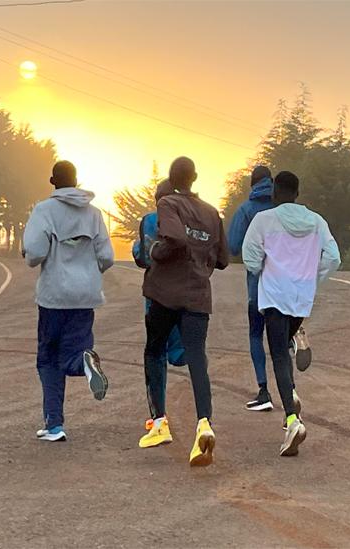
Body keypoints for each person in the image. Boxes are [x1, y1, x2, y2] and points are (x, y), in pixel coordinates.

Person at [138, 156, 229, 467]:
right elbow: (223, 259)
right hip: (197, 296)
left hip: (165, 294)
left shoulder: (168, 203)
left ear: (170, 177)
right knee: (197, 360)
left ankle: (159, 423)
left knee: (154, 351)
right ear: (195, 177)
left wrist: (157, 252)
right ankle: (204, 423)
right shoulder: (211, 212)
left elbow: (174, 238)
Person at [242, 170, 341, 457]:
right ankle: (292, 388)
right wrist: (311, 277)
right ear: (297, 194)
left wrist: (265, 271)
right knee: (283, 347)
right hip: (301, 298)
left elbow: (249, 258)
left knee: (278, 355)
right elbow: (334, 258)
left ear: (274, 193)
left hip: (274, 296)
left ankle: (292, 420)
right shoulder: (317, 222)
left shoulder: (264, 220)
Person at [22, 160, 114, 443]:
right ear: (77, 180)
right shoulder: (94, 214)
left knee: (48, 359)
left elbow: (34, 252)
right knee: (75, 351)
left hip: (54, 296)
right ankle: (86, 362)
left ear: (53, 181)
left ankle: (54, 425)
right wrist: (87, 271)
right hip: (85, 296)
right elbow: (107, 257)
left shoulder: (44, 210)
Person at [228, 165, 312, 412]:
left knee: (256, 335)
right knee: (280, 340)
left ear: (252, 184)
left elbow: (233, 246)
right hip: (287, 287)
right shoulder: (285, 209)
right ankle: (291, 389)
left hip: (258, 288)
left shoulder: (246, 210)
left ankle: (264, 391)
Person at [132, 178, 187, 432]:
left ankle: (159, 417)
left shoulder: (150, 220)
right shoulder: (194, 218)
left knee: (155, 355)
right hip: (187, 295)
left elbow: (143, 257)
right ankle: (203, 418)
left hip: (156, 297)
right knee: (184, 353)